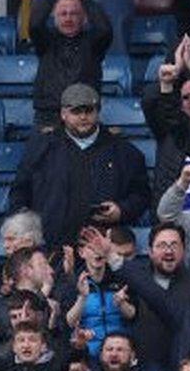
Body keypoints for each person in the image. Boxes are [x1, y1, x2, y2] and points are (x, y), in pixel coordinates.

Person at [10, 86, 151, 250]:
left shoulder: (124, 152)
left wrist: (121, 210)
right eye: (76, 112)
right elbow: (19, 192)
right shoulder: (41, 149)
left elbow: (142, 195)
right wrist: (26, 228)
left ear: (98, 111)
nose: (83, 117)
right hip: (51, 247)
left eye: (89, 110)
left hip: (103, 249)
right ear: (63, 114)